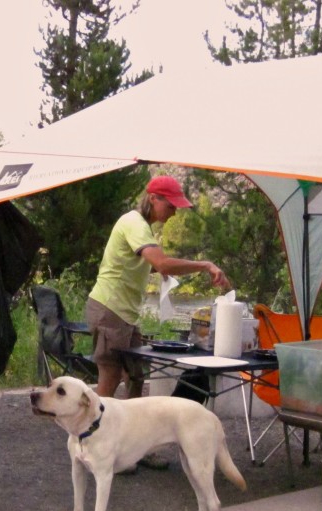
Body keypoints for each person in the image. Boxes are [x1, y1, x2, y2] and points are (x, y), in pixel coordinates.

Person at [85, 175, 232, 469]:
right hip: (109, 309)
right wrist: (205, 265)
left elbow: (135, 264)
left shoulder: (143, 229)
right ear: (154, 198)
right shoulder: (133, 222)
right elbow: (161, 261)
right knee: (110, 379)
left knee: (137, 377)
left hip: (126, 314)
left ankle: (137, 448)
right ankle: (94, 450)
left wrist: (155, 273)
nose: (175, 212)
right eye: (172, 205)